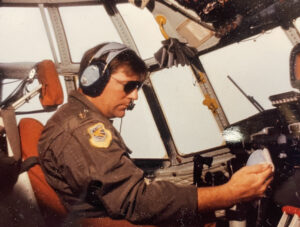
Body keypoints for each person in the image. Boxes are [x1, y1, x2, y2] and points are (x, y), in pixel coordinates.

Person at [38, 42, 273, 225]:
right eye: (129, 86)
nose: (135, 97)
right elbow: (135, 201)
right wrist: (228, 193)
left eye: (138, 88)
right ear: (93, 80)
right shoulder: (83, 130)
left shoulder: (75, 121)